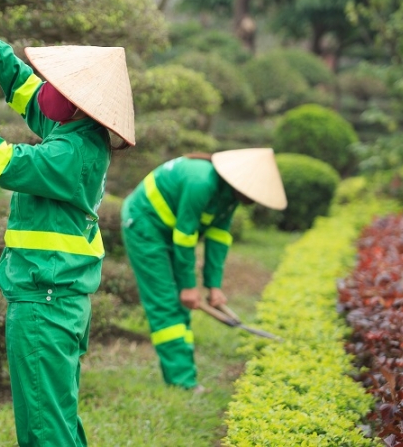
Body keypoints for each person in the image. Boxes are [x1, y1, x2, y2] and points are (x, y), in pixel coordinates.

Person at [0, 25, 135, 447]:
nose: (48, 89)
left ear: (79, 101)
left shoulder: (68, 152)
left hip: (46, 303)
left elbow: (1, 163)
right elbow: (32, 95)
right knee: (56, 417)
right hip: (58, 298)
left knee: (44, 428)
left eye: (58, 84)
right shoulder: (78, 129)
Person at [120, 149, 287, 390]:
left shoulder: (228, 196)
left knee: (180, 303)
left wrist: (213, 286)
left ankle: (181, 373)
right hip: (144, 225)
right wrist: (188, 286)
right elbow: (186, 235)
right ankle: (183, 382)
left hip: (171, 230)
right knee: (166, 302)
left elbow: (219, 238)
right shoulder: (201, 181)